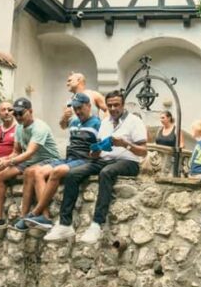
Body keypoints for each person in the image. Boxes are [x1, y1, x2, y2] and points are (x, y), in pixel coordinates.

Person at [44, 90, 147, 244]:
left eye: (116, 105)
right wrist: (95, 151)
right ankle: (65, 224)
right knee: (72, 173)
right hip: (105, 159)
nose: (112, 108)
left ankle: (97, 225)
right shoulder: (105, 122)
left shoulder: (134, 121)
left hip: (128, 161)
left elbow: (143, 151)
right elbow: (97, 150)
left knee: (106, 173)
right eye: (110, 105)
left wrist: (125, 144)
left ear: (123, 105)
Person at [16, 93, 101, 231]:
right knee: (37, 172)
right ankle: (45, 217)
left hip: (84, 159)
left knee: (57, 171)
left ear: (88, 106)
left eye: (80, 108)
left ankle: (35, 213)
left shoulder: (97, 123)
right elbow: (62, 125)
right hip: (69, 158)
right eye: (75, 108)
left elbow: (100, 146)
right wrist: (64, 117)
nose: (78, 111)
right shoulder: (75, 121)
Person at [0, 98, 61, 232]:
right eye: (15, 113)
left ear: (30, 111)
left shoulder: (40, 127)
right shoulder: (19, 128)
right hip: (29, 161)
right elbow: (16, 152)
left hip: (48, 159)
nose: (17, 117)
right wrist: (3, 160)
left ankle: (42, 217)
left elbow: (29, 152)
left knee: (30, 172)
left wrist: (9, 162)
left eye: (20, 113)